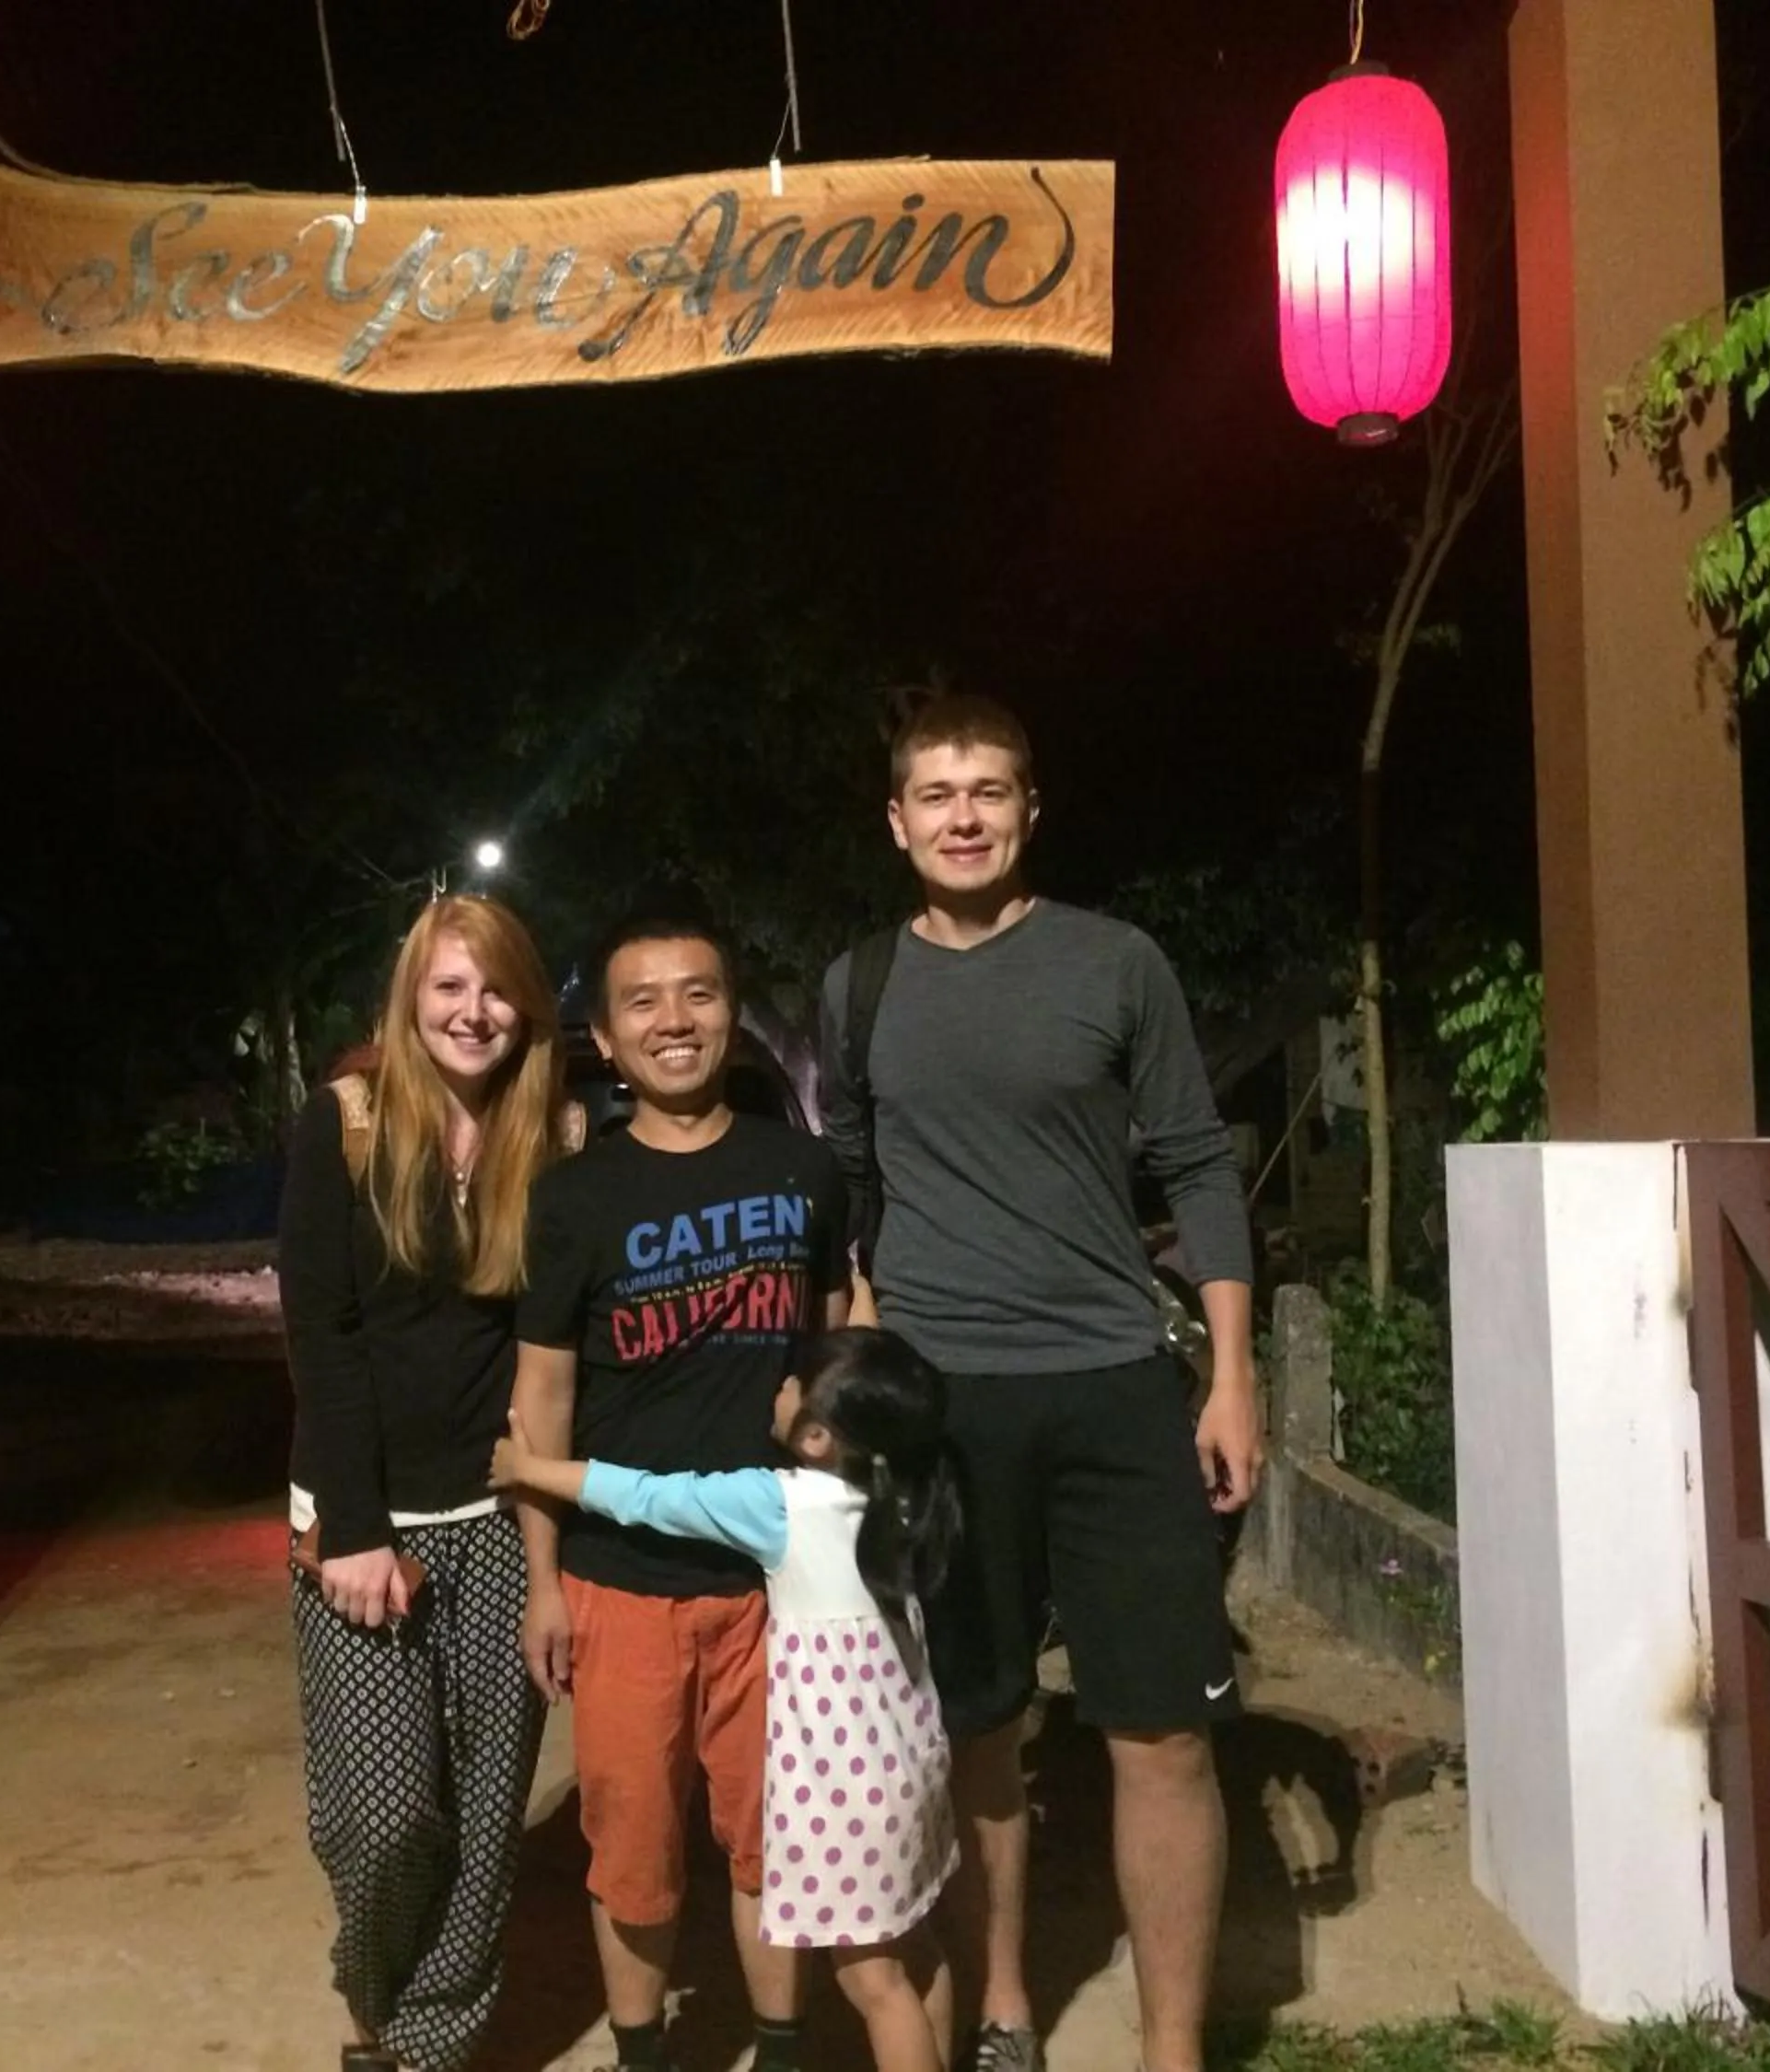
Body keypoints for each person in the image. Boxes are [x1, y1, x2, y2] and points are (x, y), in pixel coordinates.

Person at [820, 693, 1261, 2072]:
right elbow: (849, 1180)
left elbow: (1195, 1161)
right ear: (897, 822)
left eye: (990, 792)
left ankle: (1172, 2042)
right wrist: (858, 1358)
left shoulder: (1117, 964)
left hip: (1117, 1383)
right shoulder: (857, 987)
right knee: (978, 1720)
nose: (963, 816)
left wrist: (1230, 1372)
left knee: (1163, 1737)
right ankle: (1004, 1997)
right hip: (949, 1410)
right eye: (937, 794)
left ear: (1029, 810)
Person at [510, 915, 853, 2072]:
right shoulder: (570, 1201)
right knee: (634, 1855)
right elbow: (543, 1401)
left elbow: (841, 1329)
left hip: (776, 1585)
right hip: (621, 1585)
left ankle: (783, 2045)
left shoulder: (802, 1171)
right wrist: (542, 1582)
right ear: (606, 1039)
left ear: (731, 1010)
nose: (675, 1021)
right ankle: (646, 2053)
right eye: (644, 1002)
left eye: (699, 995)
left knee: (771, 1845)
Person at [490, 1326, 964, 2072]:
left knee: (873, 1982)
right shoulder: (905, 1494)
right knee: (914, 1949)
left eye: (790, 1383)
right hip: (909, 1767)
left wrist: (532, 1468)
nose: (772, 1389)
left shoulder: (785, 1506)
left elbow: (649, 1497)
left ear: (814, 1434)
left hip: (849, 1793)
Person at [279, 893, 570, 2072]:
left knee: (490, 1818)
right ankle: (379, 1994)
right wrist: (350, 1524)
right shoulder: (344, 1124)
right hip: (362, 1521)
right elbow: (322, 1334)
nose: (474, 1011)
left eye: (496, 989)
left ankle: (419, 2047)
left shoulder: (558, 1139)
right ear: (411, 998)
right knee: (387, 1817)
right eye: (449, 986)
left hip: (502, 1516)